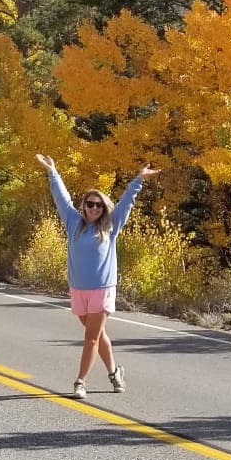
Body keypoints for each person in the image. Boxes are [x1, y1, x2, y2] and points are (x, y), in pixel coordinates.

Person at [38, 154, 158, 400]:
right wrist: (53, 171)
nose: (94, 208)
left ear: (104, 208)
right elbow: (61, 198)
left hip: (102, 289)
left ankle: (80, 382)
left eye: (99, 205)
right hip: (78, 289)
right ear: (83, 207)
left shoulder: (111, 225)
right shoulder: (73, 222)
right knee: (98, 334)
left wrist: (138, 180)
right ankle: (115, 373)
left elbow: (126, 203)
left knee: (91, 337)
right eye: (90, 204)